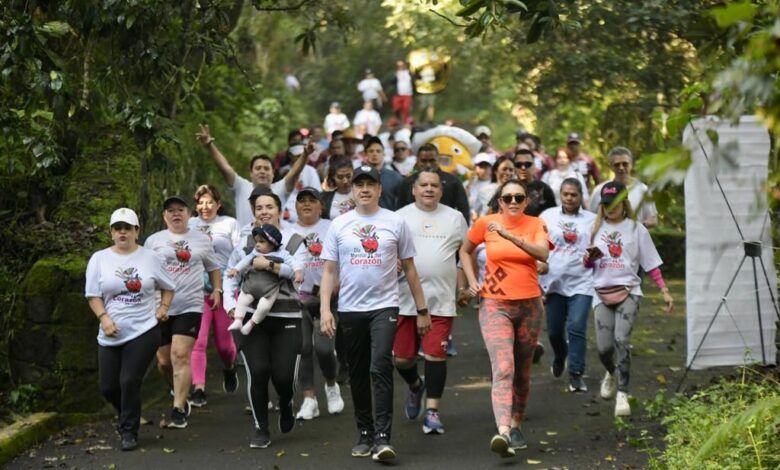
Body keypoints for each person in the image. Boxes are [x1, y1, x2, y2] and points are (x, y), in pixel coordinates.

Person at [319, 165, 431, 462]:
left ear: (380, 189)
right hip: (350, 309)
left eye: (370, 184)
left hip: (385, 306)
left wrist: (422, 310)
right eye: (359, 185)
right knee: (356, 372)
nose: (365, 189)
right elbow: (328, 271)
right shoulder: (339, 224)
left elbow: (409, 268)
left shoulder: (395, 222)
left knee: (380, 365)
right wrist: (325, 310)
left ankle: (382, 437)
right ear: (352, 190)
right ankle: (365, 433)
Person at [459, 180, 551, 458]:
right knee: (503, 367)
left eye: (518, 198)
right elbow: (465, 250)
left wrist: (511, 236)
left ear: (526, 201)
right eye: (507, 197)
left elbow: (543, 254)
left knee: (522, 371)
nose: (513, 202)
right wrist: (473, 282)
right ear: (499, 200)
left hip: (529, 305)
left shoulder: (536, 224)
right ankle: (503, 431)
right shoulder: (485, 223)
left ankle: (516, 423)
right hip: (495, 304)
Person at [85, 208, 175, 451]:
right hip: (110, 331)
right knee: (108, 387)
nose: (122, 232)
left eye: (127, 228)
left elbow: (169, 286)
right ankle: (128, 411)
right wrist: (104, 318)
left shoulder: (150, 258)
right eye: (117, 228)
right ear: (111, 232)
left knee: (129, 380)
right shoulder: (99, 259)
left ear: (137, 231)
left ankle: (129, 431)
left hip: (144, 329)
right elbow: (93, 295)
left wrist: (163, 307)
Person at [223, 190, 306, 449]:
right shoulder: (246, 244)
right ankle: (261, 429)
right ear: (254, 212)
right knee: (258, 372)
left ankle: (286, 402)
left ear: (279, 210)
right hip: (251, 318)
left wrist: (269, 266)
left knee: (283, 378)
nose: (264, 211)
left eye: (269, 206)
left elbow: (298, 276)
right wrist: (229, 304)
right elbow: (230, 275)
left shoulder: (293, 240)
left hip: (287, 316)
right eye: (259, 207)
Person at [584, 181, 673, 417]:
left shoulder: (637, 229)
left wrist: (664, 290)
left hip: (629, 290)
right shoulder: (593, 229)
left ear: (624, 203)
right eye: (606, 204)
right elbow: (585, 264)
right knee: (604, 348)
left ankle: (622, 393)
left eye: (614, 203)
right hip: (601, 292)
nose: (610, 208)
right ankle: (611, 373)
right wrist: (590, 258)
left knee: (621, 340)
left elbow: (650, 263)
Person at [393, 169, 467, 435]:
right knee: (402, 359)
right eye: (423, 185)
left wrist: (464, 287)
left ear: (441, 189)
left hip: (441, 299)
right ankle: (415, 385)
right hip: (404, 299)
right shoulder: (399, 217)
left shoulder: (455, 218)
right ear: (414, 189)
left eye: (434, 185)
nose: (428, 189)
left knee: (436, 354)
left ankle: (432, 412)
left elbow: (464, 255)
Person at [145, 196, 221, 429]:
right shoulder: (153, 241)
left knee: (180, 355)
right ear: (164, 216)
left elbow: (213, 268)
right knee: (164, 361)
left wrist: (217, 289)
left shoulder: (201, 240)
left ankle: (178, 408)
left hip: (190, 305)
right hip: (160, 308)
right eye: (170, 210)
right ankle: (178, 389)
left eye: (180, 210)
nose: (176, 214)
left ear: (189, 214)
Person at [289, 187, 345, 420]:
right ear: (296, 206)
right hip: (299, 298)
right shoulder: (289, 232)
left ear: (321, 205)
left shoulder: (332, 227)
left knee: (323, 348)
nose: (307, 205)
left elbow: (344, 257)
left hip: (327, 297)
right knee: (303, 349)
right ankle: (309, 398)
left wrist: (338, 283)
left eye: (312, 200)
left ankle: (331, 385)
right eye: (302, 201)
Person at [539, 178, 596, 392]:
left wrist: (592, 258)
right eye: (566, 194)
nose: (570, 198)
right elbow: (539, 244)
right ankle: (560, 355)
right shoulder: (547, 216)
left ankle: (576, 373)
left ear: (581, 196)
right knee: (554, 332)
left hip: (582, 281)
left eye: (574, 194)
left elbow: (599, 246)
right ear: (560, 195)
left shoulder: (591, 219)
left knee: (576, 327)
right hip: (554, 282)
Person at [196, 124, 309, 227]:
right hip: (245, 244)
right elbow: (225, 168)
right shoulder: (241, 186)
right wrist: (209, 146)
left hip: (275, 243)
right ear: (251, 173)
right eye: (258, 168)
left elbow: (294, 172)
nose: (262, 171)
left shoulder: (281, 188)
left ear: (273, 173)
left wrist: (305, 154)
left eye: (266, 168)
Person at [188, 185, 240, 408]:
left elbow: (239, 254)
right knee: (198, 342)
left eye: (209, 202)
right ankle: (198, 388)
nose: (204, 206)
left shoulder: (229, 224)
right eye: (200, 202)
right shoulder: (190, 225)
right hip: (197, 290)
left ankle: (230, 368)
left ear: (218, 204)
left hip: (225, 289)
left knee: (224, 346)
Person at [226, 225, 303, 335]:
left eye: (261, 241)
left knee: (264, 307)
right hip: (251, 286)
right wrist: (236, 269)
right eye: (256, 241)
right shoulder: (255, 252)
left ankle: (251, 323)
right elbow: (246, 260)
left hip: (269, 289)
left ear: (273, 244)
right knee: (242, 300)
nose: (257, 244)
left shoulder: (281, 253)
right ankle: (238, 320)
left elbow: (293, 262)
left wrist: (298, 271)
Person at [395, 143, 471, 224]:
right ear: (417, 160)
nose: (428, 164)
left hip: (445, 229)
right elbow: (400, 210)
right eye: (424, 161)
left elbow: (463, 210)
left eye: (432, 160)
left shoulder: (452, 181)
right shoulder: (408, 182)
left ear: (438, 160)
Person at [589, 146, 658, 228]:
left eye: (625, 164)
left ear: (631, 164)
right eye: (617, 165)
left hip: (634, 238)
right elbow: (590, 218)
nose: (621, 168)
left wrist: (637, 227)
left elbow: (653, 220)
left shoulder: (643, 190)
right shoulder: (600, 190)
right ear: (611, 166)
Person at [364, 136, 402, 210]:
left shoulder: (395, 177)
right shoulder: (359, 176)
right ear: (366, 154)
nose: (374, 154)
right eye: (371, 151)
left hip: (389, 219)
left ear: (383, 154)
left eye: (378, 151)